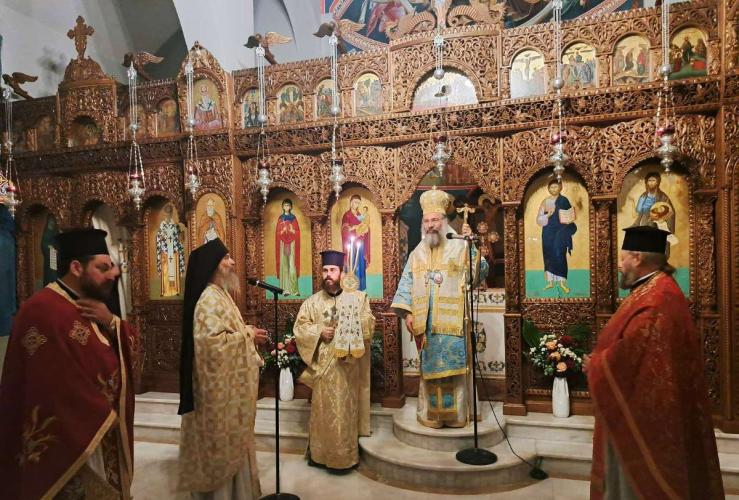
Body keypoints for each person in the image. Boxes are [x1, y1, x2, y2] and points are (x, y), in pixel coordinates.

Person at [584, 226, 723, 499]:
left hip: (642, 414)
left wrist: (597, 365)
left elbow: (634, 352)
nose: (620, 265)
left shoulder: (657, 297)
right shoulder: (656, 288)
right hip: (641, 403)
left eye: (623, 258)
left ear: (637, 258)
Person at [0, 228, 139, 499]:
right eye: (103, 268)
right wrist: (100, 411)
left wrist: (111, 322)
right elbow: (49, 382)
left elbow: (128, 346)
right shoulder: (41, 310)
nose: (112, 275)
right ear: (76, 268)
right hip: (71, 439)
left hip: (99, 435)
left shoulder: (92, 305)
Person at [177, 238, 267, 499]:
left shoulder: (221, 294)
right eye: (226, 257)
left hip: (229, 394)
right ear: (214, 265)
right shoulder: (208, 300)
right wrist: (248, 336)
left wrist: (246, 331)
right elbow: (211, 346)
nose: (233, 262)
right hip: (217, 396)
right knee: (220, 444)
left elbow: (228, 331)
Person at [391, 186, 488, 428]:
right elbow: (406, 283)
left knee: (455, 370)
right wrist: (407, 313)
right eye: (426, 221)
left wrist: (471, 245)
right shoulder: (418, 253)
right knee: (431, 370)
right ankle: (432, 415)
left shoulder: (459, 245)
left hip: (453, 322)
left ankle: (456, 416)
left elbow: (478, 273)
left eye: (434, 220)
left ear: (444, 221)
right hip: (426, 324)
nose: (430, 225)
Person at [294, 250, 375, 471]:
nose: (328, 274)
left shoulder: (358, 298)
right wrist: (319, 331)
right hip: (323, 369)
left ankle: (344, 458)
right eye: (325, 270)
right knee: (323, 411)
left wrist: (352, 322)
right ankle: (319, 455)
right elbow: (300, 328)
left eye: (333, 270)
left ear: (342, 272)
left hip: (347, 367)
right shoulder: (312, 302)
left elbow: (369, 323)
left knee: (344, 411)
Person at [536, 179, 577, 294]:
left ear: (560, 187)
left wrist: (570, 218)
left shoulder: (564, 200)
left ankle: (562, 283)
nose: (554, 189)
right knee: (548, 255)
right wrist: (547, 215)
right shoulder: (546, 201)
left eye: (556, 187)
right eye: (551, 187)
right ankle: (550, 282)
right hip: (548, 232)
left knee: (560, 255)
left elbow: (569, 214)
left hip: (561, 232)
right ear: (548, 189)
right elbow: (539, 219)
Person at [276, 199, 301, 296]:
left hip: (292, 244)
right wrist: (282, 231)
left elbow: (297, 232)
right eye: (285, 205)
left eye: (288, 205)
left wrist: (292, 230)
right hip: (283, 244)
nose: (286, 207)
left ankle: (294, 290)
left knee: (292, 266)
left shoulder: (293, 218)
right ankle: (285, 290)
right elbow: (277, 233)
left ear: (290, 207)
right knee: (284, 266)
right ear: (283, 207)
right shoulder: (280, 218)